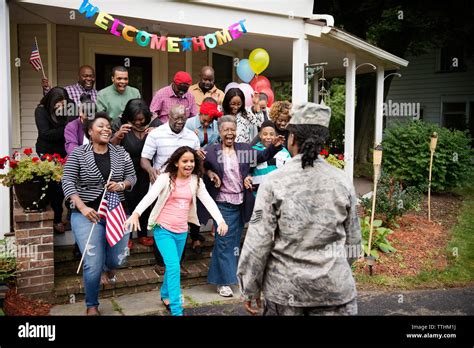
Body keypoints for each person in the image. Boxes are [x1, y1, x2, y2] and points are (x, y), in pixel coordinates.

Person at [237, 103, 361, 316]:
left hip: (286, 294)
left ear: (291, 139)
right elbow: (354, 242)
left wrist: (250, 288)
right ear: (323, 142)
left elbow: (258, 242)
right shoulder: (343, 181)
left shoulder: (274, 182)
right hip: (335, 292)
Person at [126, 146, 228, 316]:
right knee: (173, 266)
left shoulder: (196, 181)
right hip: (163, 229)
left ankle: (165, 294)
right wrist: (136, 214)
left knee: (172, 266)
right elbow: (149, 197)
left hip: (182, 231)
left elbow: (208, 201)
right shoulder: (165, 179)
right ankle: (176, 310)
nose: (189, 165)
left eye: (192, 161)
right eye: (185, 161)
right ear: (176, 162)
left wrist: (220, 221)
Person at [62, 112, 137, 316]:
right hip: (87, 214)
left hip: (116, 211)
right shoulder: (78, 153)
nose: (106, 129)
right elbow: (67, 181)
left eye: (108, 127)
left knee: (118, 259)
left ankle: (110, 268)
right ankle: (92, 305)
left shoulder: (121, 153)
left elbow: (132, 176)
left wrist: (122, 184)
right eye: (100, 126)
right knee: (92, 261)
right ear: (89, 132)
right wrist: (82, 207)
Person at [201, 115, 284, 297]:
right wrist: (208, 171)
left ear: (236, 131)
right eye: (226, 130)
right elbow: (201, 166)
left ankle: (221, 278)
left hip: (240, 203)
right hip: (222, 203)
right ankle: (224, 282)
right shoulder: (212, 150)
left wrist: (275, 146)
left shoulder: (244, 149)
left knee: (231, 242)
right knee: (224, 242)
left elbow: (263, 156)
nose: (229, 133)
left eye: (232, 129)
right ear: (220, 132)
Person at [141, 104, 201, 274]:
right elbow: (144, 159)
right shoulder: (156, 134)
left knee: (181, 224)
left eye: (183, 118)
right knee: (161, 224)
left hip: (184, 188)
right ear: (168, 117)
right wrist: (150, 169)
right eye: (176, 118)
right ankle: (161, 263)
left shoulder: (191, 136)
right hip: (162, 187)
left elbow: (194, 161)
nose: (180, 122)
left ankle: (177, 262)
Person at [110, 99, 162, 248]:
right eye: (134, 120)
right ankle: (127, 236)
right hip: (125, 168)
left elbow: (167, 138)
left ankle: (143, 234)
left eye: (141, 119)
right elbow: (109, 148)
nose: (138, 123)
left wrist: (157, 133)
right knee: (127, 201)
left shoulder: (155, 123)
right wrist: (118, 136)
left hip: (147, 168)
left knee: (146, 200)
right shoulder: (119, 123)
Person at [185, 97, 222, 253]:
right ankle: (193, 236)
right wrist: (193, 146)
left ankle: (197, 233)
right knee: (191, 201)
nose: (207, 124)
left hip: (207, 166)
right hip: (190, 166)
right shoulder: (189, 124)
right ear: (200, 114)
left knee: (203, 201)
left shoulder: (215, 125)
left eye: (210, 121)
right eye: (205, 120)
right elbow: (181, 146)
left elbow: (217, 143)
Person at [35, 87, 73, 234]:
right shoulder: (41, 111)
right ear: (51, 101)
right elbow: (46, 134)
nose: (61, 107)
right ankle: (57, 219)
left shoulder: (69, 108)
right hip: (48, 151)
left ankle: (69, 217)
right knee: (55, 187)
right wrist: (67, 128)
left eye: (63, 103)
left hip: (65, 151)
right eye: (58, 104)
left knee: (68, 183)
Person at [250, 120, 291, 194]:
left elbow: (289, 172)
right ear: (260, 135)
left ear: (275, 135)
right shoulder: (253, 150)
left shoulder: (284, 152)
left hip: (278, 194)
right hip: (257, 195)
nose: (268, 137)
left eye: (271, 134)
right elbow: (247, 170)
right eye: (265, 134)